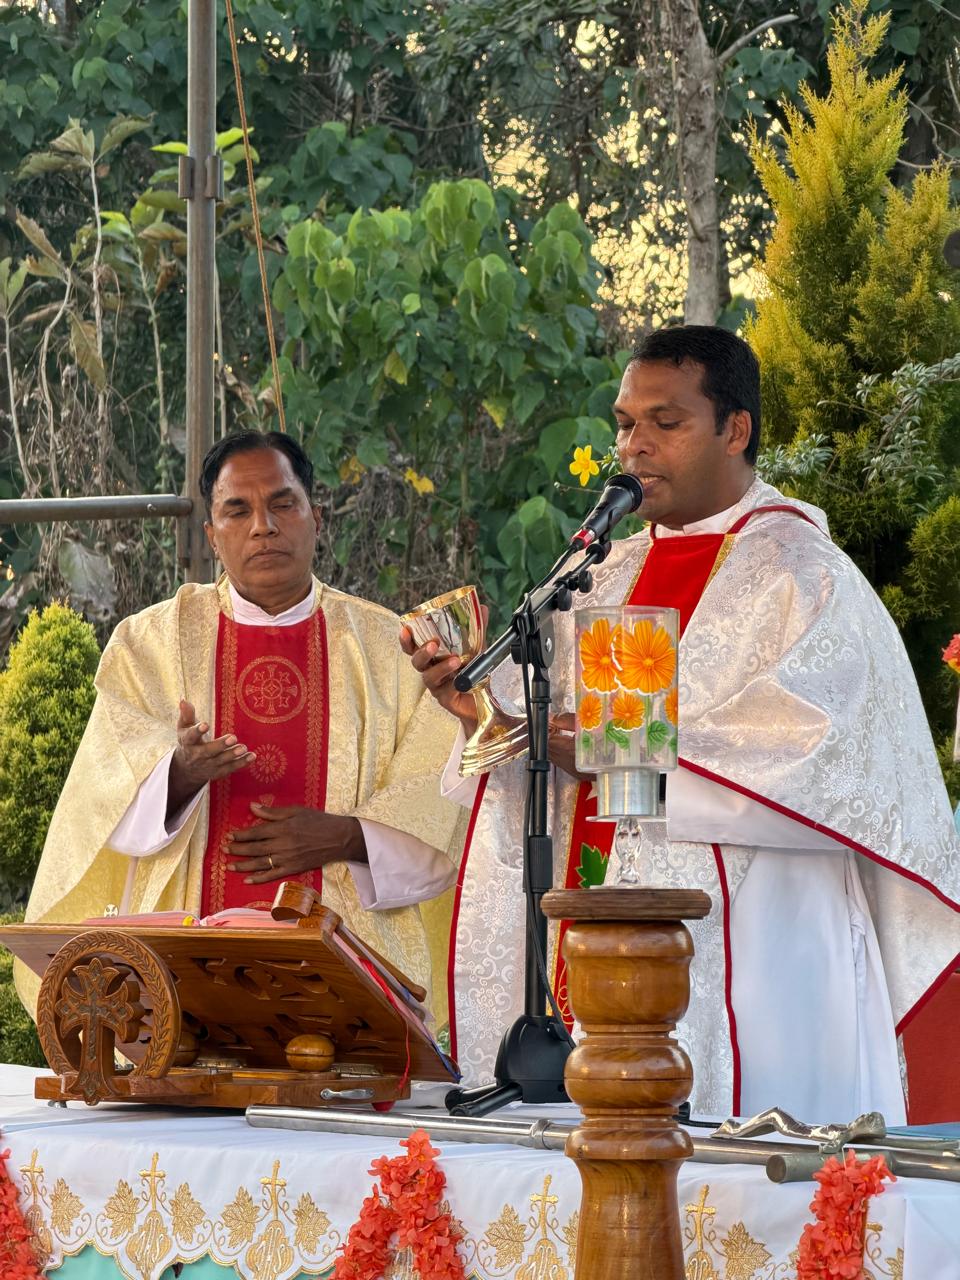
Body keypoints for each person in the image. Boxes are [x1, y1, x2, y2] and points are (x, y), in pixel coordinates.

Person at [403, 325, 960, 1122]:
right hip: (601, 925)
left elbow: (820, 764)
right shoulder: (603, 576)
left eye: (666, 423)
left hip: (759, 941)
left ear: (735, 430)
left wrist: (597, 748)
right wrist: (482, 715)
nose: (635, 445)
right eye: (626, 424)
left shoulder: (804, 576)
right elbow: (559, 753)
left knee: (741, 1166)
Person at [18, 432, 463, 1017]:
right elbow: (98, 807)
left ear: (316, 517)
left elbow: (437, 799)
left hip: (346, 961)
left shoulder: (390, 648)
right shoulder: (148, 643)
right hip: (183, 966)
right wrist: (179, 773)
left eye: (282, 504)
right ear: (212, 534)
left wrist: (346, 835)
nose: (263, 527)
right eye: (237, 510)